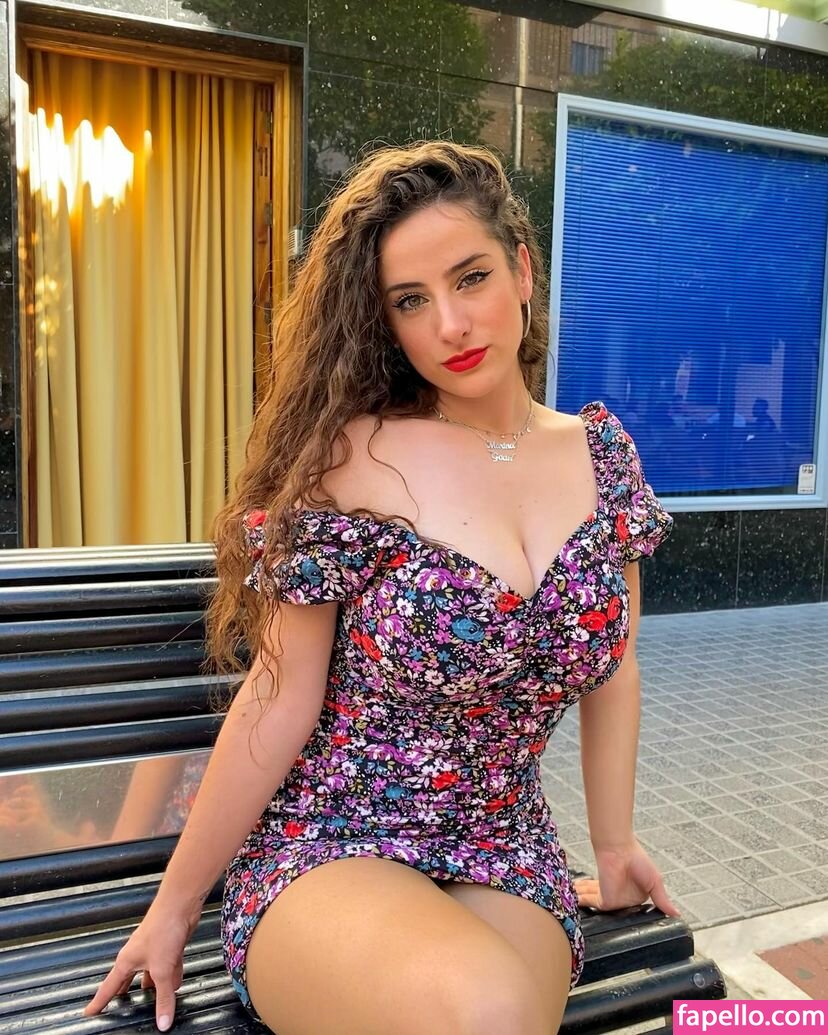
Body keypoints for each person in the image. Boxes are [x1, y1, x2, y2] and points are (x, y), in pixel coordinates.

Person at [83, 139, 679, 1035]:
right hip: (331, 840)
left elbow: (616, 665)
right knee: (487, 1012)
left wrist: (615, 844)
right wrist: (172, 911)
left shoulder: (602, 456)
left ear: (522, 271)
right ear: (386, 322)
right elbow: (276, 698)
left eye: (471, 278)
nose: (451, 323)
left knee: (504, 1018)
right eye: (411, 300)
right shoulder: (352, 460)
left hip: (504, 844)